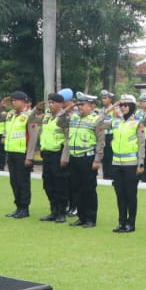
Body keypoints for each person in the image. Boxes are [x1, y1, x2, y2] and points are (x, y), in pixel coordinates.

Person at [61, 92, 104, 228]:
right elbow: (59, 122)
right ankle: (81, 217)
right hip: (75, 158)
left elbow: (101, 141)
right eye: (78, 105)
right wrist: (67, 109)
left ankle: (91, 218)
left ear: (91, 105)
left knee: (89, 190)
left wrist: (97, 159)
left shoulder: (96, 119)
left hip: (88, 158)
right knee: (77, 189)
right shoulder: (73, 118)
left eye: (83, 105)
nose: (80, 107)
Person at [29, 92, 71, 223]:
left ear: (61, 104)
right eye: (50, 102)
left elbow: (68, 139)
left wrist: (65, 157)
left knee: (60, 185)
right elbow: (30, 120)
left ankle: (62, 212)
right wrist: (37, 108)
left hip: (58, 154)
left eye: (54, 103)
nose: (51, 105)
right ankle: (53, 210)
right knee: (48, 184)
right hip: (46, 154)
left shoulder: (64, 118)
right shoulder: (47, 117)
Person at [108, 94, 146, 233]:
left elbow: (142, 144)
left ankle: (131, 223)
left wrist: (141, 163)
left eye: (125, 105)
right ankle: (121, 222)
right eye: (121, 105)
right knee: (120, 194)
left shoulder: (137, 122)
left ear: (131, 107)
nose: (123, 108)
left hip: (131, 164)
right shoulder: (116, 121)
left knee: (130, 194)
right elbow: (98, 123)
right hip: (117, 163)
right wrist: (111, 107)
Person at [2, 92, 33, 218]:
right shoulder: (11, 115)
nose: (13, 103)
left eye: (16, 100)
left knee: (23, 182)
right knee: (14, 181)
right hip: (11, 151)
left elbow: (32, 137)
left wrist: (29, 156)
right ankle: (18, 206)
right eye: (12, 101)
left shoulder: (30, 116)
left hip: (22, 153)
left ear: (24, 101)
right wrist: (1, 106)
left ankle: (24, 208)